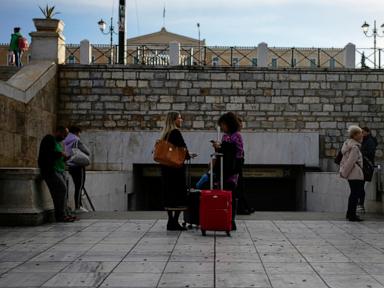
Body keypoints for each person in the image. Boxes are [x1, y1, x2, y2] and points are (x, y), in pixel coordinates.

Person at [212, 112, 244, 230]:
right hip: (222, 169)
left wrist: (223, 147)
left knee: (231, 195)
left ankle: (232, 219)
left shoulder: (237, 136)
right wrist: (218, 147)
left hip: (232, 170)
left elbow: (239, 153)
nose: (222, 127)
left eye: (224, 124)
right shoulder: (225, 136)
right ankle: (222, 217)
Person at [160, 111, 191, 231]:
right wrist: (188, 155)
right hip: (175, 169)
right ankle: (175, 222)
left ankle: (170, 221)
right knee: (178, 193)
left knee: (169, 193)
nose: (181, 120)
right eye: (179, 118)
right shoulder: (176, 132)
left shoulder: (165, 133)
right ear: (174, 120)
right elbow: (183, 147)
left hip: (166, 168)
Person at [38, 126, 76, 222]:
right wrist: (60, 154)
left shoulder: (58, 143)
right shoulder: (49, 139)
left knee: (62, 192)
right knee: (61, 189)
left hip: (59, 170)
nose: (64, 137)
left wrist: (65, 157)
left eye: (66, 136)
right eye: (64, 135)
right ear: (58, 132)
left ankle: (65, 214)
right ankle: (60, 215)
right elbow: (47, 154)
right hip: (50, 170)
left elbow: (57, 156)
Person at [340, 125, 365, 222]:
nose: (361, 135)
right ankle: (352, 215)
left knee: (353, 194)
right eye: (360, 133)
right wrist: (344, 173)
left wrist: (344, 173)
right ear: (354, 135)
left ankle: (350, 213)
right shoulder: (354, 147)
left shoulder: (348, 144)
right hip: (355, 173)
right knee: (355, 194)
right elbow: (350, 162)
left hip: (352, 173)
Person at [64, 126, 91, 213]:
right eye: (79, 133)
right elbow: (87, 152)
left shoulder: (66, 140)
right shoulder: (76, 140)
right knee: (79, 186)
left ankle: (78, 206)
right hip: (78, 165)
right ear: (76, 132)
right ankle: (78, 207)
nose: (80, 135)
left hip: (70, 165)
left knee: (77, 186)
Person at [357, 127, 378, 212]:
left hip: (366, 167)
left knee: (361, 186)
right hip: (364, 166)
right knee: (360, 186)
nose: (361, 133)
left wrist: (360, 152)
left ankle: (360, 205)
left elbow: (371, 152)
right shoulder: (365, 140)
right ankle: (360, 204)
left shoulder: (370, 141)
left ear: (368, 132)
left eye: (363, 132)